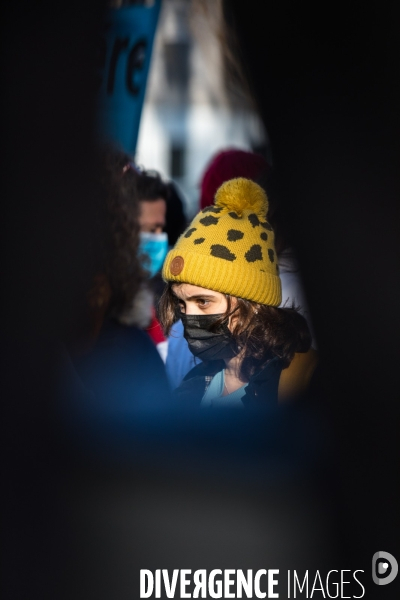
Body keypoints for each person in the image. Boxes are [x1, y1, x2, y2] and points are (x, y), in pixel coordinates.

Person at [165, 147, 317, 395]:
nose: (189, 319)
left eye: (203, 301)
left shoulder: (297, 384)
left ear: (252, 303)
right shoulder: (193, 385)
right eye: (181, 305)